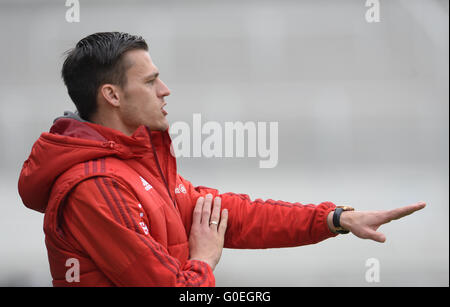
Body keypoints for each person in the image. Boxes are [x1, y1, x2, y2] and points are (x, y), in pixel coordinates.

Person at [18, 32, 426, 287]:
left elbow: (232, 215)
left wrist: (335, 219)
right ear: (111, 95)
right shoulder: (95, 187)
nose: (165, 89)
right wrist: (203, 261)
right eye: (149, 80)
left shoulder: (138, 161)